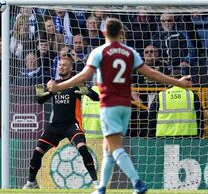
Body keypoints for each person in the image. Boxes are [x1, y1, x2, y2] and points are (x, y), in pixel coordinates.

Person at [47, 18, 192, 194]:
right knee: (108, 148)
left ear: (104, 33)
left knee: (115, 147)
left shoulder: (99, 52)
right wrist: (178, 82)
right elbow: (152, 73)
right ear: (121, 33)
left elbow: (83, 77)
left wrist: (58, 86)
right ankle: (101, 188)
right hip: (125, 106)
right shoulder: (130, 52)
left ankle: (138, 183)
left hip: (110, 105)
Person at [23, 56, 99, 189]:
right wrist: (41, 92)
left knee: (83, 149)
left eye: (64, 65)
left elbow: (96, 97)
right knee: (37, 151)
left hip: (72, 125)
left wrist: (85, 90)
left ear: (71, 67)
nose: (61, 67)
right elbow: (39, 100)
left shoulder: (76, 83)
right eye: (60, 65)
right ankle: (30, 183)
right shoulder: (54, 84)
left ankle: (96, 183)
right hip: (56, 126)